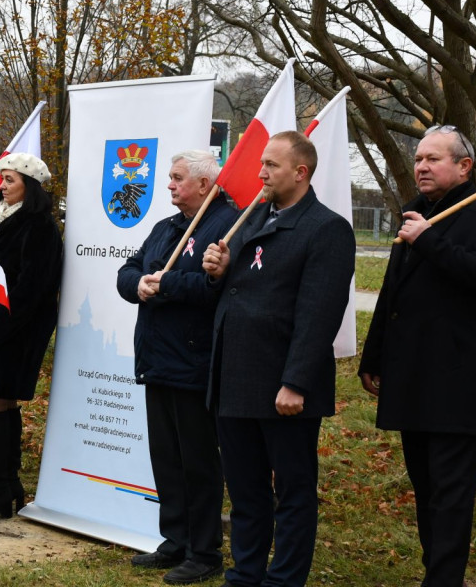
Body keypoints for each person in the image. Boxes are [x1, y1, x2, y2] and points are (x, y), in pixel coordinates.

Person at [201, 131, 354, 587]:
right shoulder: (255, 218)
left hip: (282, 385)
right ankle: (245, 574)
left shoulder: (326, 229)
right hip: (236, 377)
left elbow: (319, 312)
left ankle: (283, 579)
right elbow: (238, 291)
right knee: (246, 491)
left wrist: (297, 382)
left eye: (271, 165)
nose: (261, 172)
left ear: (301, 172)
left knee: (292, 491)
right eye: (261, 164)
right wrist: (220, 272)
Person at [358, 125, 476, 587]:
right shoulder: (415, 212)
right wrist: (374, 356)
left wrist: (429, 241)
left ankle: (445, 579)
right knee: (427, 488)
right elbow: (393, 293)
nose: (422, 167)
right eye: (418, 160)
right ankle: (438, 571)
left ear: (464, 166)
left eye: (433, 159)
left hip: (461, 382)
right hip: (412, 376)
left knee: (451, 494)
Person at [116, 150, 236, 583]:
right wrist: (140, 285)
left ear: (205, 185)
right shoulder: (166, 227)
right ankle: (175, 538)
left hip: (194, 361)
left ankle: (205, 552)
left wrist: (163, 283)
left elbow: (213, 286)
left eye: (177, 178)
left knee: (197, 461)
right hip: (156, 360)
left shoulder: (226, 224)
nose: (168, 185)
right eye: (169, 177)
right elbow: (127, 272)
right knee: (166, 458)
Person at [0, 153, 62, 520]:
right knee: (1, 403)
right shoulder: (1, 219)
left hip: (10, 333)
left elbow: (32, 286)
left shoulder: (39, 226)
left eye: (10, 181)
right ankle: (8, 486)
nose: (2, 187)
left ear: (29, 187)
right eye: (2, 179)